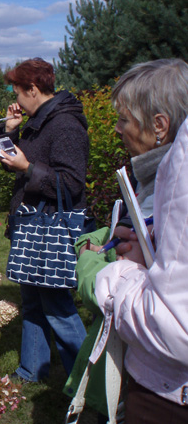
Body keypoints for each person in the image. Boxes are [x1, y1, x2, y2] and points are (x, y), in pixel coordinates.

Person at [75, 59, 188, 423]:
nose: (118, 129)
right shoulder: (152, 176)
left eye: (124, 119)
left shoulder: (175, 182)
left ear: (159, 125)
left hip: (167, 391)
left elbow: (175, 317)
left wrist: (115, 270)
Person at [0, 57, 88, 382]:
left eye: (18, 92)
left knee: (57, 307)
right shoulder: (38, 119)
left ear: (32, 89)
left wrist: (27, 169)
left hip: (50, 228)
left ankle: (89, 382)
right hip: (31, 223)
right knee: (31, 301)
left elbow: (71, 183)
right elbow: (11, 158)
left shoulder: (65, 125)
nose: (15, 100)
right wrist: (9, 130)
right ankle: (31, 370)